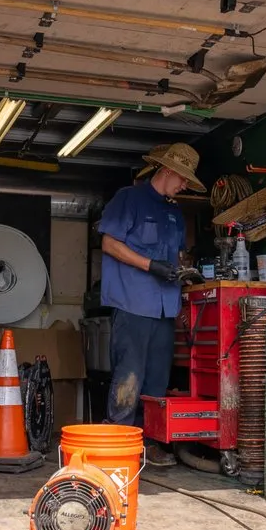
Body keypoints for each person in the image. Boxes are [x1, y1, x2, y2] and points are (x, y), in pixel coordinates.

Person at [97, 142, 206, 466]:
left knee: (158, 380)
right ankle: (119, 440)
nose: (185, 185)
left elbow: (175, 256)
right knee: (129, 376)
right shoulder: (128, 199)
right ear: (168, 170)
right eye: (183, 178)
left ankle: (150, 443)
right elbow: (109, 243)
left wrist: (182, 270)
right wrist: (150, 265)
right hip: (132, 303)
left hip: (165, 308)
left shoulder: (174, 213)